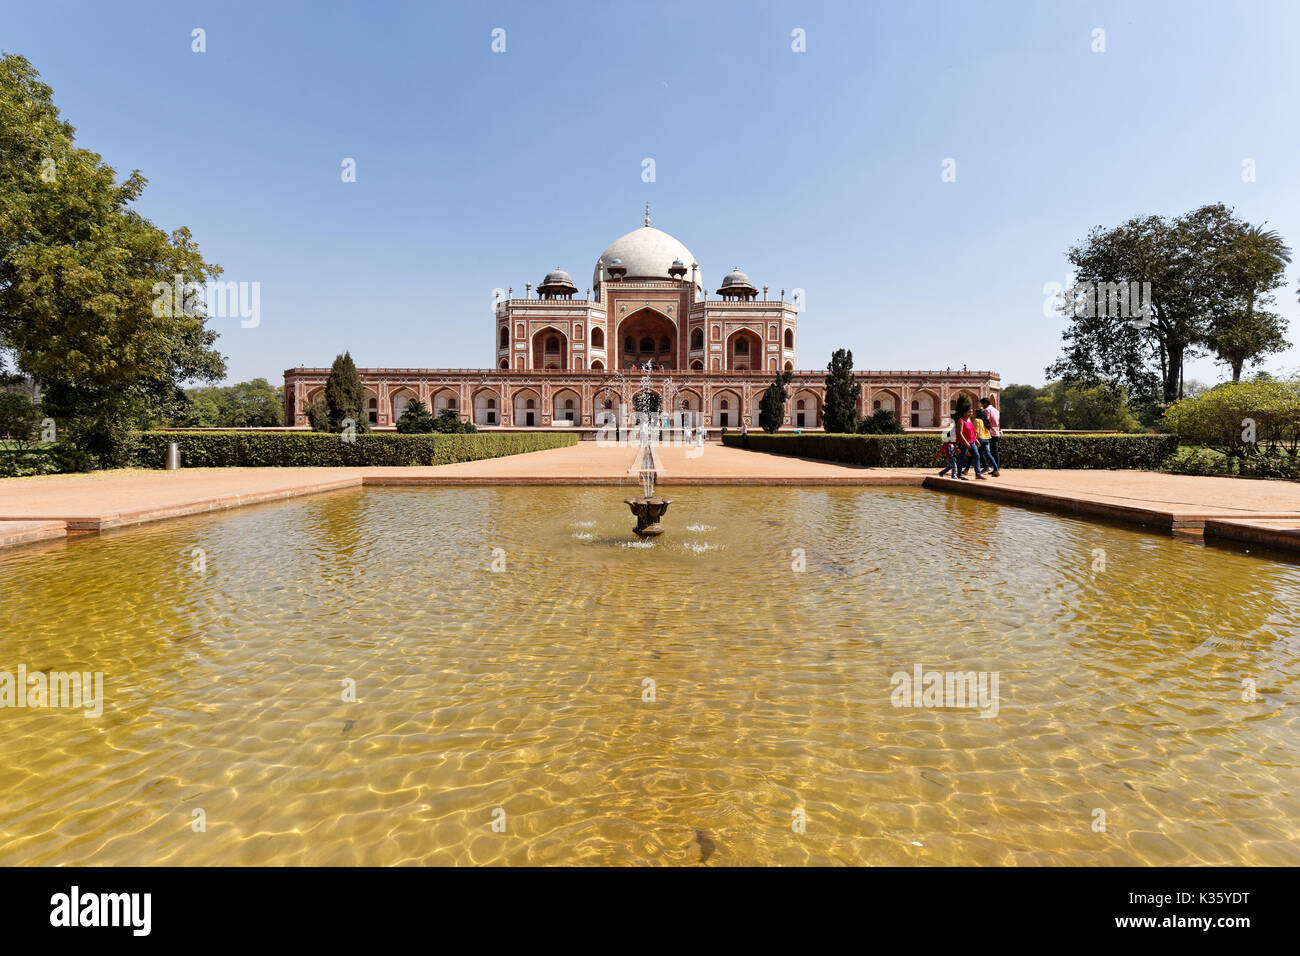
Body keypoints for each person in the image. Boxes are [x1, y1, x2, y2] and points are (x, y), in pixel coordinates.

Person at [956, 408, 984, 479]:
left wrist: (975, 440)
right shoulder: (961, 421)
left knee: (976, 455)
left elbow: (972, 432)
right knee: (962, 457)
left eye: (971, 412)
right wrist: (966, 443)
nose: (971, 413)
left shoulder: (970, 420)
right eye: (969, 412)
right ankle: (959, 474)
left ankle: (978, 474)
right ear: (964, 412)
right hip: (963, 442)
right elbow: (960, 433)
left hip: (971, 441)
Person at [974, 407, 1000, 476]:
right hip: (986, 439)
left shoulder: (977, 420)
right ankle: (996, 469)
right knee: (989, 455)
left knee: (976, 455)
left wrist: (975, 439)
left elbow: (976, 431)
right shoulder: (985, 420)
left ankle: (978, 471)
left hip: (980, 439)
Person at [980, 397, 1001, 472]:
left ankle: (986, 466)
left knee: (981, 450)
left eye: (982, 404)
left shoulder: (987, 410)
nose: (982, 406)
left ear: (985, 403)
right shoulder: (996, 410)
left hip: (989, 433)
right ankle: (996, 468)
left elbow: (986, 421)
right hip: (996, 432)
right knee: (994, 452)